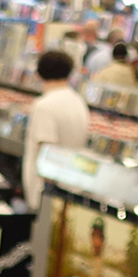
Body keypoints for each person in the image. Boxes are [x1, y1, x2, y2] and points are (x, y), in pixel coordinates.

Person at [21, 48, 90, 206]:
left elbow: (47, 151)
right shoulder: (78, 101)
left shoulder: (44, 106)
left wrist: (46, 194)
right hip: (72, 186)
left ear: (39, 73)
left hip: (46, 194)